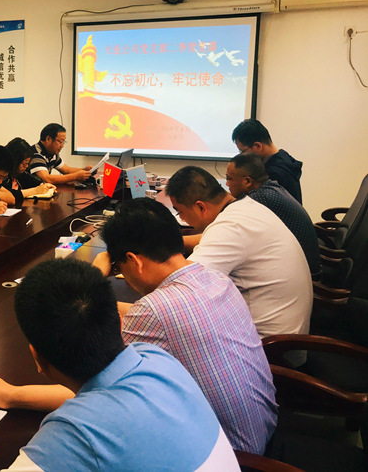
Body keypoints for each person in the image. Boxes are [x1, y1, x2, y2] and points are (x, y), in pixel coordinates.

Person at [0, 258, 239, 471]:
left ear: (37, 357)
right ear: (118, 321)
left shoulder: (72, 436)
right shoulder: (153, 357)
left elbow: (91, 412)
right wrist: (12, 395)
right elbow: (101, 398)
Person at [92, 199, 277, 454]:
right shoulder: (215, 278)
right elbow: (157, 314)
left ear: (134, 261)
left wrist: (93, 282)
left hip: (231, 456)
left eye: (117, 266)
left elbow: (104, 391)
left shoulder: (153, 311)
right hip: (263, 428)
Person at [166, 166, 312, 340]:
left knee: (173, 324)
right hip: (289, 332)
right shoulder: (246, 207)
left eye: (180, 211)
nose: (181, 218)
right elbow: (212, 239)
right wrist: (172, 242)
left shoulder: (231, 227)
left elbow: (182, 287)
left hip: (270, 345)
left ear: (200, 207)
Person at [226, 153, 321, 280]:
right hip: (305, 266)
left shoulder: (260, 198)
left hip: (305, 274)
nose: (227, 184)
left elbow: (229, 228)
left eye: (229, 178)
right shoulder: (271, 188)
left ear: (247, 181)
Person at [232, 119, 303, 204]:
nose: (242, 156)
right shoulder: (284, 159)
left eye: (242, 151)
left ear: (257, 146)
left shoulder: (274, 174)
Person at [28, 123, 93, 184]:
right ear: (48, 139)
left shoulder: (52, 153)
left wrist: (84, 170)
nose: (62, 146)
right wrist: (75, 176)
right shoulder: (35, 154)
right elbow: (46, 179)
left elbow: (67, 170)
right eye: (60, 142)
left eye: (63, 142)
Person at [3, 137, 55, 201]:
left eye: (28, 163)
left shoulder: (19, 173)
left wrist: (44, 185)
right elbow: (6, 194)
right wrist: (35, 190)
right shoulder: (2, 175)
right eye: (24, 163)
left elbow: (32, 181)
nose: (26, 166)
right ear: (14, 161)